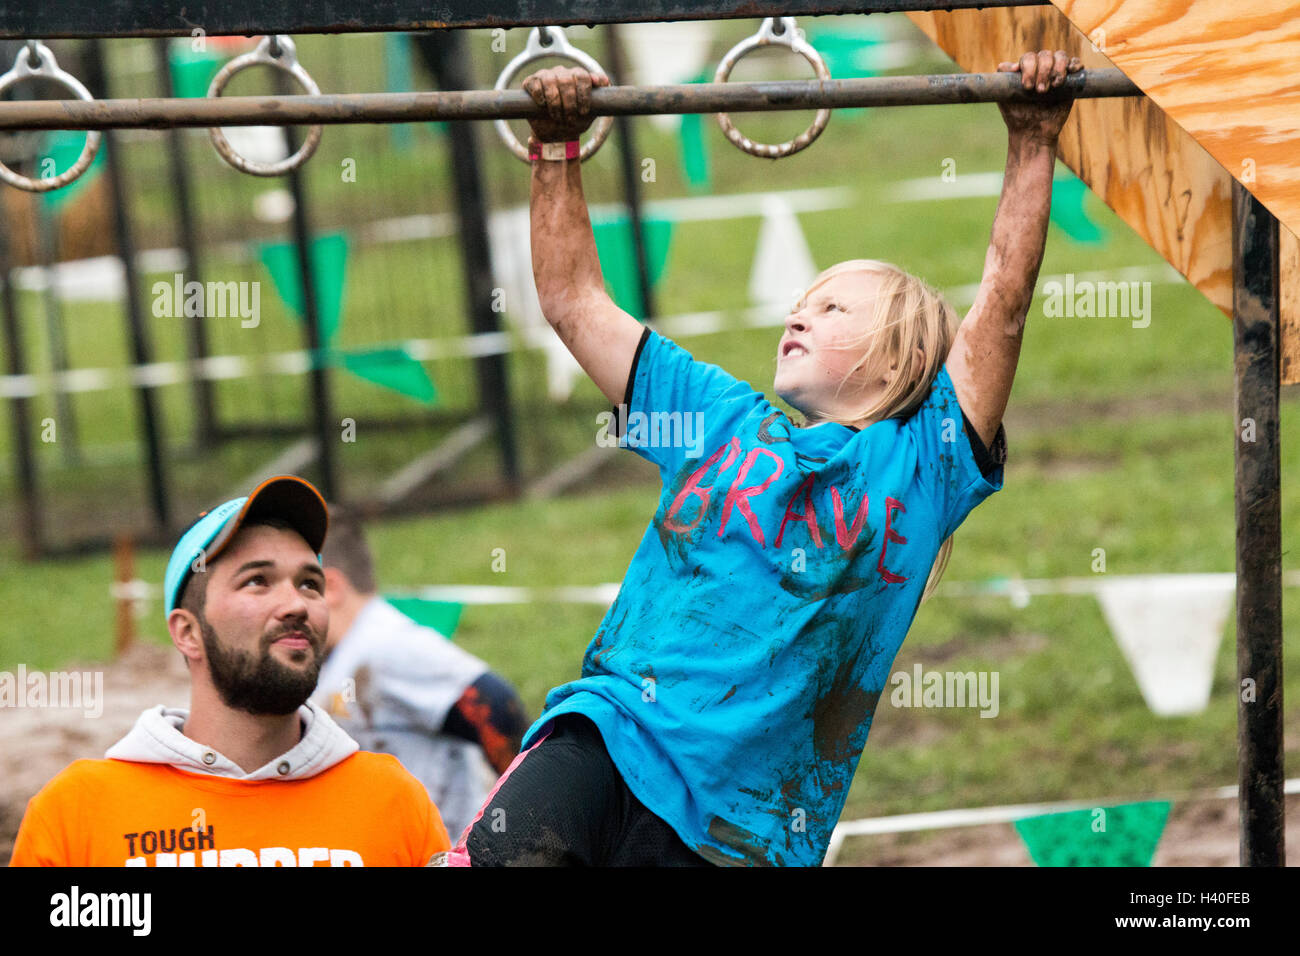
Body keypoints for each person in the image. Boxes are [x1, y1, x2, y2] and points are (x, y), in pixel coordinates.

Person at [453, 50, 1081, 867]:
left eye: (831, 307)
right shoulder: (716, 417)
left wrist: (1032, 139)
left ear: (899, 359)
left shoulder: (923, 464)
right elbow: (573, 299)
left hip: (743, 829)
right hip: (609, 735)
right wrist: (556, 147)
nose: (797, 316)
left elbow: (1003, 301)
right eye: (799, 304)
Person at [10, 475, 449, 867]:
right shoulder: (76, 814)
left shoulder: (393, 800)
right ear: (188, 632)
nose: (296, 604)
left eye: (309, 584)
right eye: (257, 581)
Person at [311, 505, 529, 841]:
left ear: (331, 588)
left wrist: (522, 828)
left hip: (442, 851)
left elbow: (495, 705)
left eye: (302, 585)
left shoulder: (386, 643)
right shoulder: (345, 652)